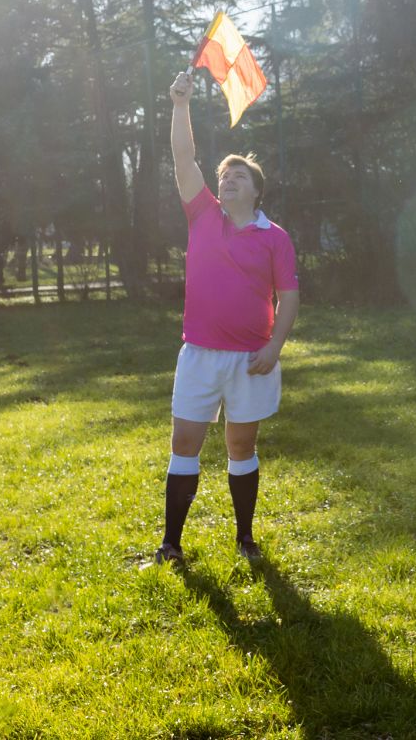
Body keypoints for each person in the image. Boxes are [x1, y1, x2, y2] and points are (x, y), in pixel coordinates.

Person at [153, 69, 300, 566]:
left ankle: (245, 539)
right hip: (199, 355)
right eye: (224, 176)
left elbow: (289, 297)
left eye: (238, 176)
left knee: (242, 450)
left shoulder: (274, 237)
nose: (228, 179)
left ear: (256, 190)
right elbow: (183, 157)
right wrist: (180, 105)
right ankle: (171, 545)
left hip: (251, 360)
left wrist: (274, 348)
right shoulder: (203, 216)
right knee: (184, 448)